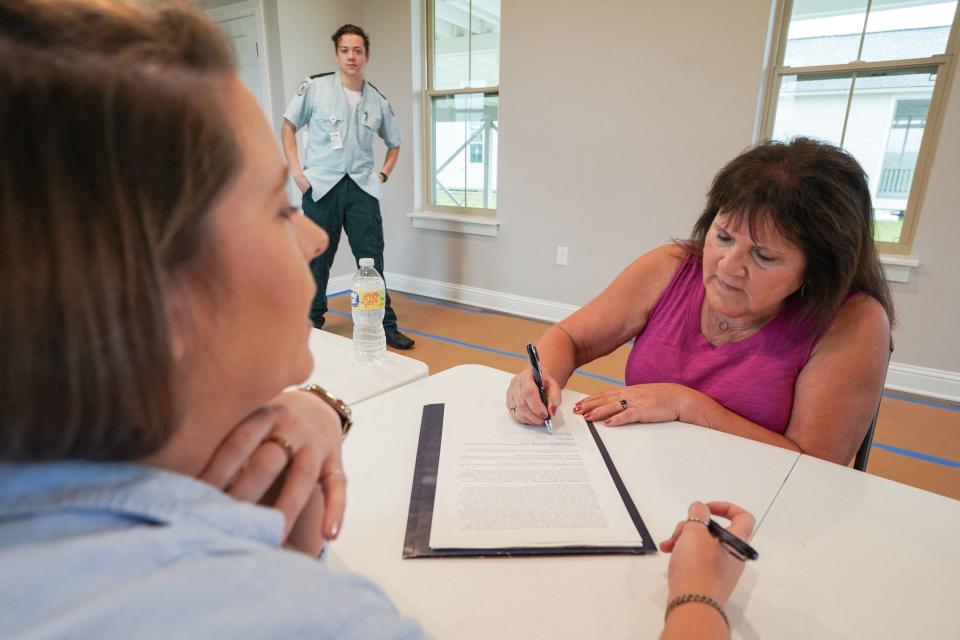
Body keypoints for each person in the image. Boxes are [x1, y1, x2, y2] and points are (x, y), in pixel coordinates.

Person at [0, 2, 752, 637]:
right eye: (276, 207)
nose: (311, 236)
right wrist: (697, 597)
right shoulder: (321, 619)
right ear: (153, 298)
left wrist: (317, 411)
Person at [507, 138, 894, 466]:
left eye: (763, 256)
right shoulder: (672, 266)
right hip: (648, 470)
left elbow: (813, 469)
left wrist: (687, 405)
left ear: (818, 270)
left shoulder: (853, 322)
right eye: (723, 237)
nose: (728, 266)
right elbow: (570, 337)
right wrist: (540, 382)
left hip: (754, 502)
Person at [280, 23, 415, 350]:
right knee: (316, 258)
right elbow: (288, 127)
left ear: (366, 55)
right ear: (336, 54)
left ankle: (385, 325)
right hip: (321, 187)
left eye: (357, 50)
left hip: (362, 191)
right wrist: (298, 172)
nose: (351, 56)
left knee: (372, 261)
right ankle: (311, 324)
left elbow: (395, 144)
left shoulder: (378, 101)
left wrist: (382, 175)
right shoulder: (314, 89)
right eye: (345, 50)